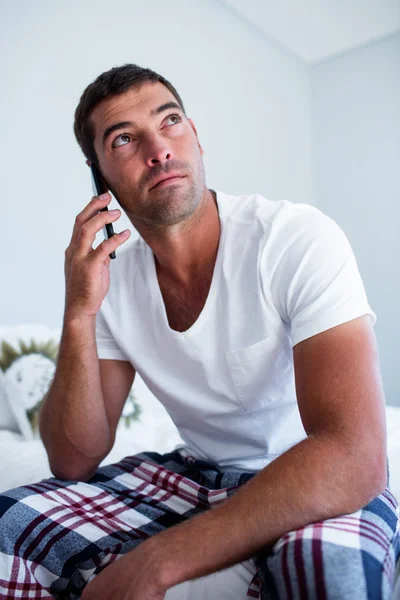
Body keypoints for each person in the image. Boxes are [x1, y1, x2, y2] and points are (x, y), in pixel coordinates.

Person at [0, 63, 399, 600]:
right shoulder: (113, 282)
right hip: (198, 475)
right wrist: (78, 312)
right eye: (124, 139)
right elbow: (75, 459)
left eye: (171, 122)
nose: (158, 149)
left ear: (197, 140)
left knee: (325, 571)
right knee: (9, 523)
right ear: (100, 178)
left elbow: (355, 454)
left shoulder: (293, 239)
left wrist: (157, 562)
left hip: (314, 476)